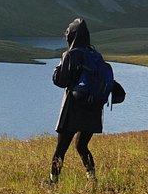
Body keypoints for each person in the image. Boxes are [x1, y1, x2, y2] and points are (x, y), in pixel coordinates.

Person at [48, 17, 123, 185]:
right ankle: (92, 179)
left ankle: (53, 183)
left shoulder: (70, 55)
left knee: (61, 149)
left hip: (74, 107)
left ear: (71, 36)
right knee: (81, 146)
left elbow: (60, 81)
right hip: (94, 109)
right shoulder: (95, 54)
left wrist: (57, 70)